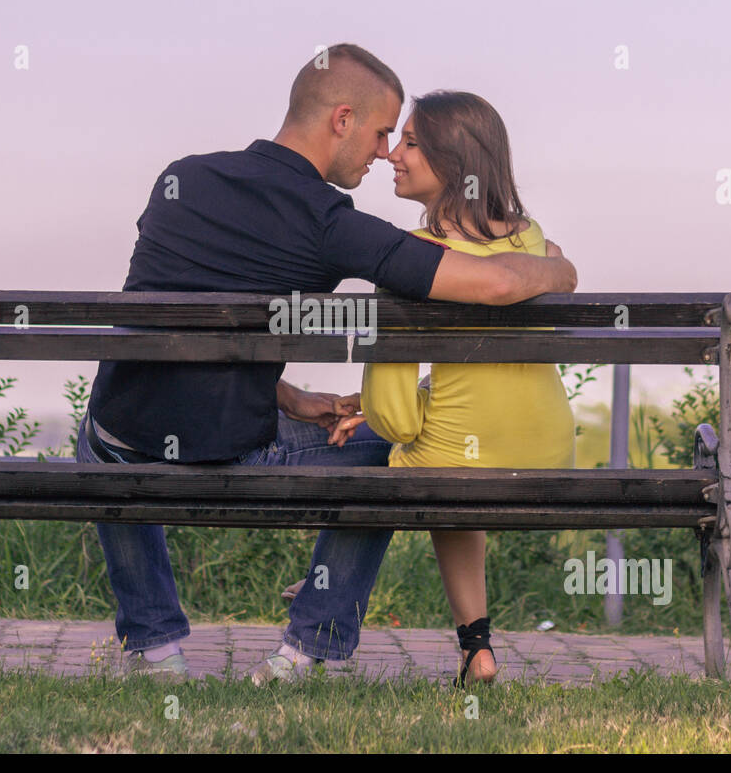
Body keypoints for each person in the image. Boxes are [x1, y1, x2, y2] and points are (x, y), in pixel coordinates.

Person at [75, 45, 578, 684]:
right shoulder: (330, 223)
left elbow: (170, 326)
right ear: (341, 119)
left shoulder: (183, 178)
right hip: (230, 455)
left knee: (104, 431)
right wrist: (558, 269)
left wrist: (289, 397)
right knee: (397, 455)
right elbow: (497, 285)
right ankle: (311, 648)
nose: (381, 151)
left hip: (123, 442)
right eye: (377, 133)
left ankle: (154, 651)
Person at [295, 90, 577, 686]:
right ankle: (477, 650)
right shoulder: (532, 240)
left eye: (411, 143)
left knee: (387, 458)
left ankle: (318, 605)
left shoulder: (417, 257)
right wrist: (372, 409)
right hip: (550, 450)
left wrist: (373, 413)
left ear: (453, 162)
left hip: (460, 458)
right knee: (454, 459)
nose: (392, 153)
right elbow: (480, 374)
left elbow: (397, 423)